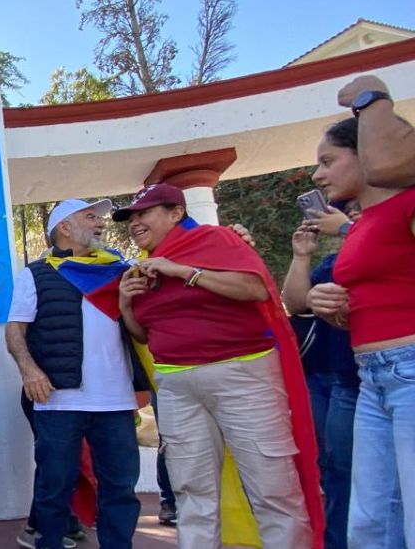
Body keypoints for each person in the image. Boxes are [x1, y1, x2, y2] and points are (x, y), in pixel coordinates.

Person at [115, 183, 320, 549]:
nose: (135, 223)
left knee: (271, 485)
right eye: (131, 217)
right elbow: (144, 334)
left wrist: (182, 271)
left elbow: (256, 288)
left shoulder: (215, 238)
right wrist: (126, 304)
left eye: (144, 213)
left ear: (176, 213)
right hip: (176, 383)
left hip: (242, 374)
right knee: (190, 489)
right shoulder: (142, 266)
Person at [308, 74, 415, 548]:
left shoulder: (409, 204)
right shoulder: (364, 223)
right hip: (371, 376)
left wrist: (372, 98)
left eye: (328, 161)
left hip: (409, 368)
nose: (318, 175)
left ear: (366, 152)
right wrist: (331, 305)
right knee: (370, 522)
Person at [6, 199, 146, 549]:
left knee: (120, 488)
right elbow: (15, 329)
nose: (100, 223)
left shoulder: (121, 270)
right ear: (65, 227)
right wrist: (29, 370)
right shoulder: (36, 273)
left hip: (116, 402)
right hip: (59, 401)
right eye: (90, 216)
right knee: (54, 486)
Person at [282, 196, 360, 549]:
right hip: (333, 375)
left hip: (379, 373)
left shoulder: (393, 244)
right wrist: (301, 256)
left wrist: (346, 228)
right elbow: (296, 303)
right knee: (336, 467)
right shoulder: (333, 262)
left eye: (357, 205)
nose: (350, 210)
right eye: (345, 207)